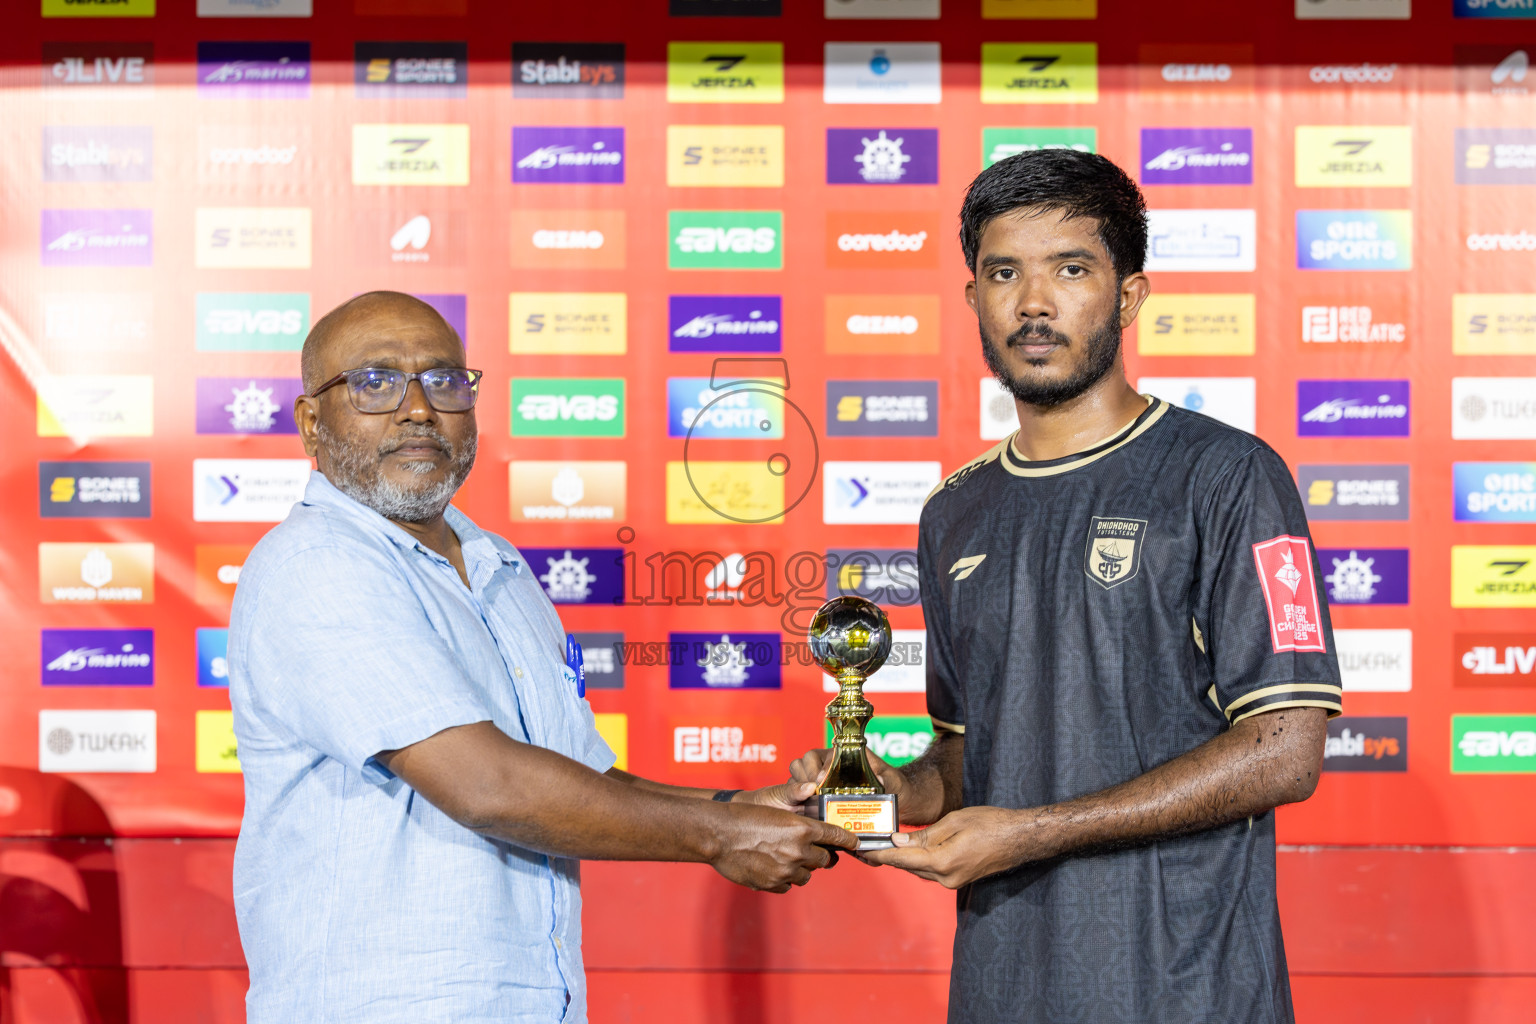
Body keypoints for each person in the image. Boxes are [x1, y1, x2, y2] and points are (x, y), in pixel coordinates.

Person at [790, 150, 1341, 1023]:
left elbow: (1286, 750)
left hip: (1185, 990)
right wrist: (896, 792)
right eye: (1004, 272)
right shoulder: (955, 513)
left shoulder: (1229, 476)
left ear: (1127, 296)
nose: (1034, 303)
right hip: (1005, 987)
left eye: (1071, 270)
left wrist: (1034, 832)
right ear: (973, 297)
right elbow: (969, 754)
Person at [228, 291, 856, 1024]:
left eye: (444, 381)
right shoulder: (316, 563)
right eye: (375, 383)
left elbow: (572, 774)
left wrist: (735, 807)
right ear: (312, 420)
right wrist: (719, 836)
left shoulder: (500, 566)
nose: (418, 408)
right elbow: (485, 784)